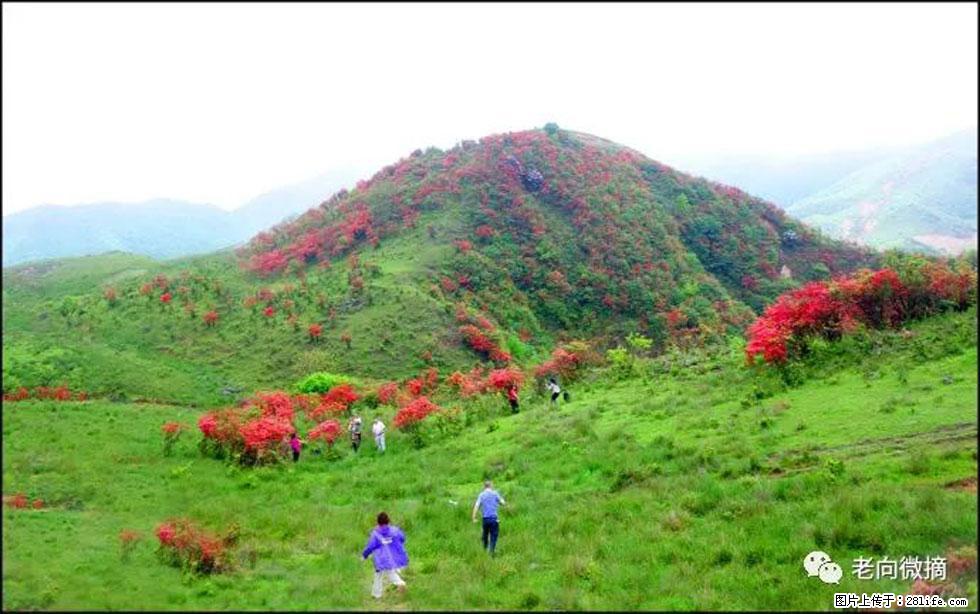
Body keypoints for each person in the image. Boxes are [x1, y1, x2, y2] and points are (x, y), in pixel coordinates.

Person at [362, 512, 409, 599]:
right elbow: (402, 538)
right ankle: (399, 584)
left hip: (381, 559)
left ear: (377, 522)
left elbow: (370, 547)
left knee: (379, 575)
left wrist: (364, 555)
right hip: (393, 557)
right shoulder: (395, 530)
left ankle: (378, 594)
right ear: (388, 520)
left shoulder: (375, 534)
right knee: (390, 572)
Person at [472, 480, 506, 556]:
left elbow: (476, 506)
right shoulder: (495, 493)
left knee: (485, 535)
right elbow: (503, 503)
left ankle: (484, 550)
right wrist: (502, 500)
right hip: (494, 519)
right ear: (491, 486)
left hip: (485, 519)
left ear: (484, 486)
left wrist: (474, 517)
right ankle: (491, 552)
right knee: (494, 536)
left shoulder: (481, 495)